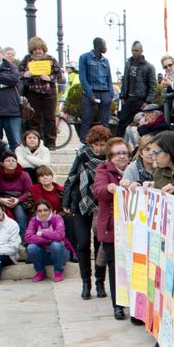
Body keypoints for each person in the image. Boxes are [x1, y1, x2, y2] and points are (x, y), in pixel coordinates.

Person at [63, 124, 110, 299]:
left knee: (100, 244)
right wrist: (67, 199)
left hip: (101, 204)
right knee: (82, 244)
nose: (98, 148)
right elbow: (71, 176)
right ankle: (85, 282)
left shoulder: (108, 160)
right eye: (95, 144)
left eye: (102, 144)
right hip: (81, 202)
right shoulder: (82, 155)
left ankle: (99, 282)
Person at [93, 135, 130, 318]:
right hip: (111, 227)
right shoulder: (103, 171)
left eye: (124, 153)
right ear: (110, 156)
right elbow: (98, 190)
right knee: (115, 267)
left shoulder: (133, 170)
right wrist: (110, 188)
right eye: (117, 154)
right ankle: (118, 305)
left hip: (132, 227)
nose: (121, 157)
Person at [20, 36, 63, 148]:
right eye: (35, 49)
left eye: (39, 49)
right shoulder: (27, 59)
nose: (38, 51)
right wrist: (24, 74)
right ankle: (36, 142)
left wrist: (50, 78)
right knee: (34, 118)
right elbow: (18, 72)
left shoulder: (51, 59)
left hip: (49, 93)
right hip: (33, 92)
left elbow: (59, 75)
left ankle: (50, 143)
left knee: (49, 118)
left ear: (43, 48)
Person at [77, 38, 114, 140]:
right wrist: (90, 93)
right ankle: (84, 142)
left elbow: (109, 78)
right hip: (91, 92)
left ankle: (105, 142)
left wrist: (110, 94)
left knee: (105, 121)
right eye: (104, 45)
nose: (106, 48)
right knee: (87, 118)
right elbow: (82, 77)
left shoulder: (105, 61)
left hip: (105, 92)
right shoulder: (84, 57)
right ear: (98, 46)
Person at [24, 201, 68, 282]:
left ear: (50, 210)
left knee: (55, 245)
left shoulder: (57, 218)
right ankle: (40, 272)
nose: (43, 213)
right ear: (36, 212)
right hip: (44, 255)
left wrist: (42, 233)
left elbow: (59, 235)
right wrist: (48, 240)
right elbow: (28, 237)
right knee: (31, 247)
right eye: (39, 211)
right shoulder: (33, 220)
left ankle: (58, 271)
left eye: (45, 210)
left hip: (60, 254)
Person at [0, 153, 33, 233]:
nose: (11, 162)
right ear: (2, 163)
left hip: (19, 201)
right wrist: (1, 199)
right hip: (2, 200)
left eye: (13, 161)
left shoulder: (24, 175)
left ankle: (22, 236)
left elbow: (29, 192)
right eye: (8, 161)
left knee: (20, 214)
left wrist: (18, 200)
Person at [118, 41, 156, 136]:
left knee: (142, 123)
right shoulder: (128, 63)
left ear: (141, 51)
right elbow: (125, 80)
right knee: (122, 123)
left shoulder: (149, 67)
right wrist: (122, 96)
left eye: (136, 50)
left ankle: (143, 143)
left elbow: (152, 86)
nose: (134, 52)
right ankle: (117, 144)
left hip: (141, 100)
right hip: (128, 99)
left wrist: (147, 101)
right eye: (132, 50)